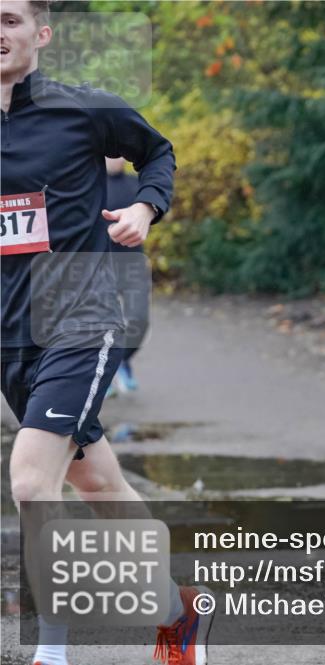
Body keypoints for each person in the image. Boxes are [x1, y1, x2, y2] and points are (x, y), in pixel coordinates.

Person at [0, 3, 212, 664]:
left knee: (34, 483)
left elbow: (158, 153)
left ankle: (51, 652)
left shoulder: (82, 109)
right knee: (98, 485)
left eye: (8, 19)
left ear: (41, 33)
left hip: (81, 318)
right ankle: (179, 615)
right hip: (10, 336)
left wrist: (147, 208)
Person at [105, 156, 149, 395]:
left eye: (120, 153)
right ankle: (104, 373)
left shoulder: (136, 184)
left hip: (132, 263)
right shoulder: (90, 185)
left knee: (139, 319)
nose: (116, 159)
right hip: (98, 263)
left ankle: (120, 360)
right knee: (101, 325)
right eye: (110, 154)